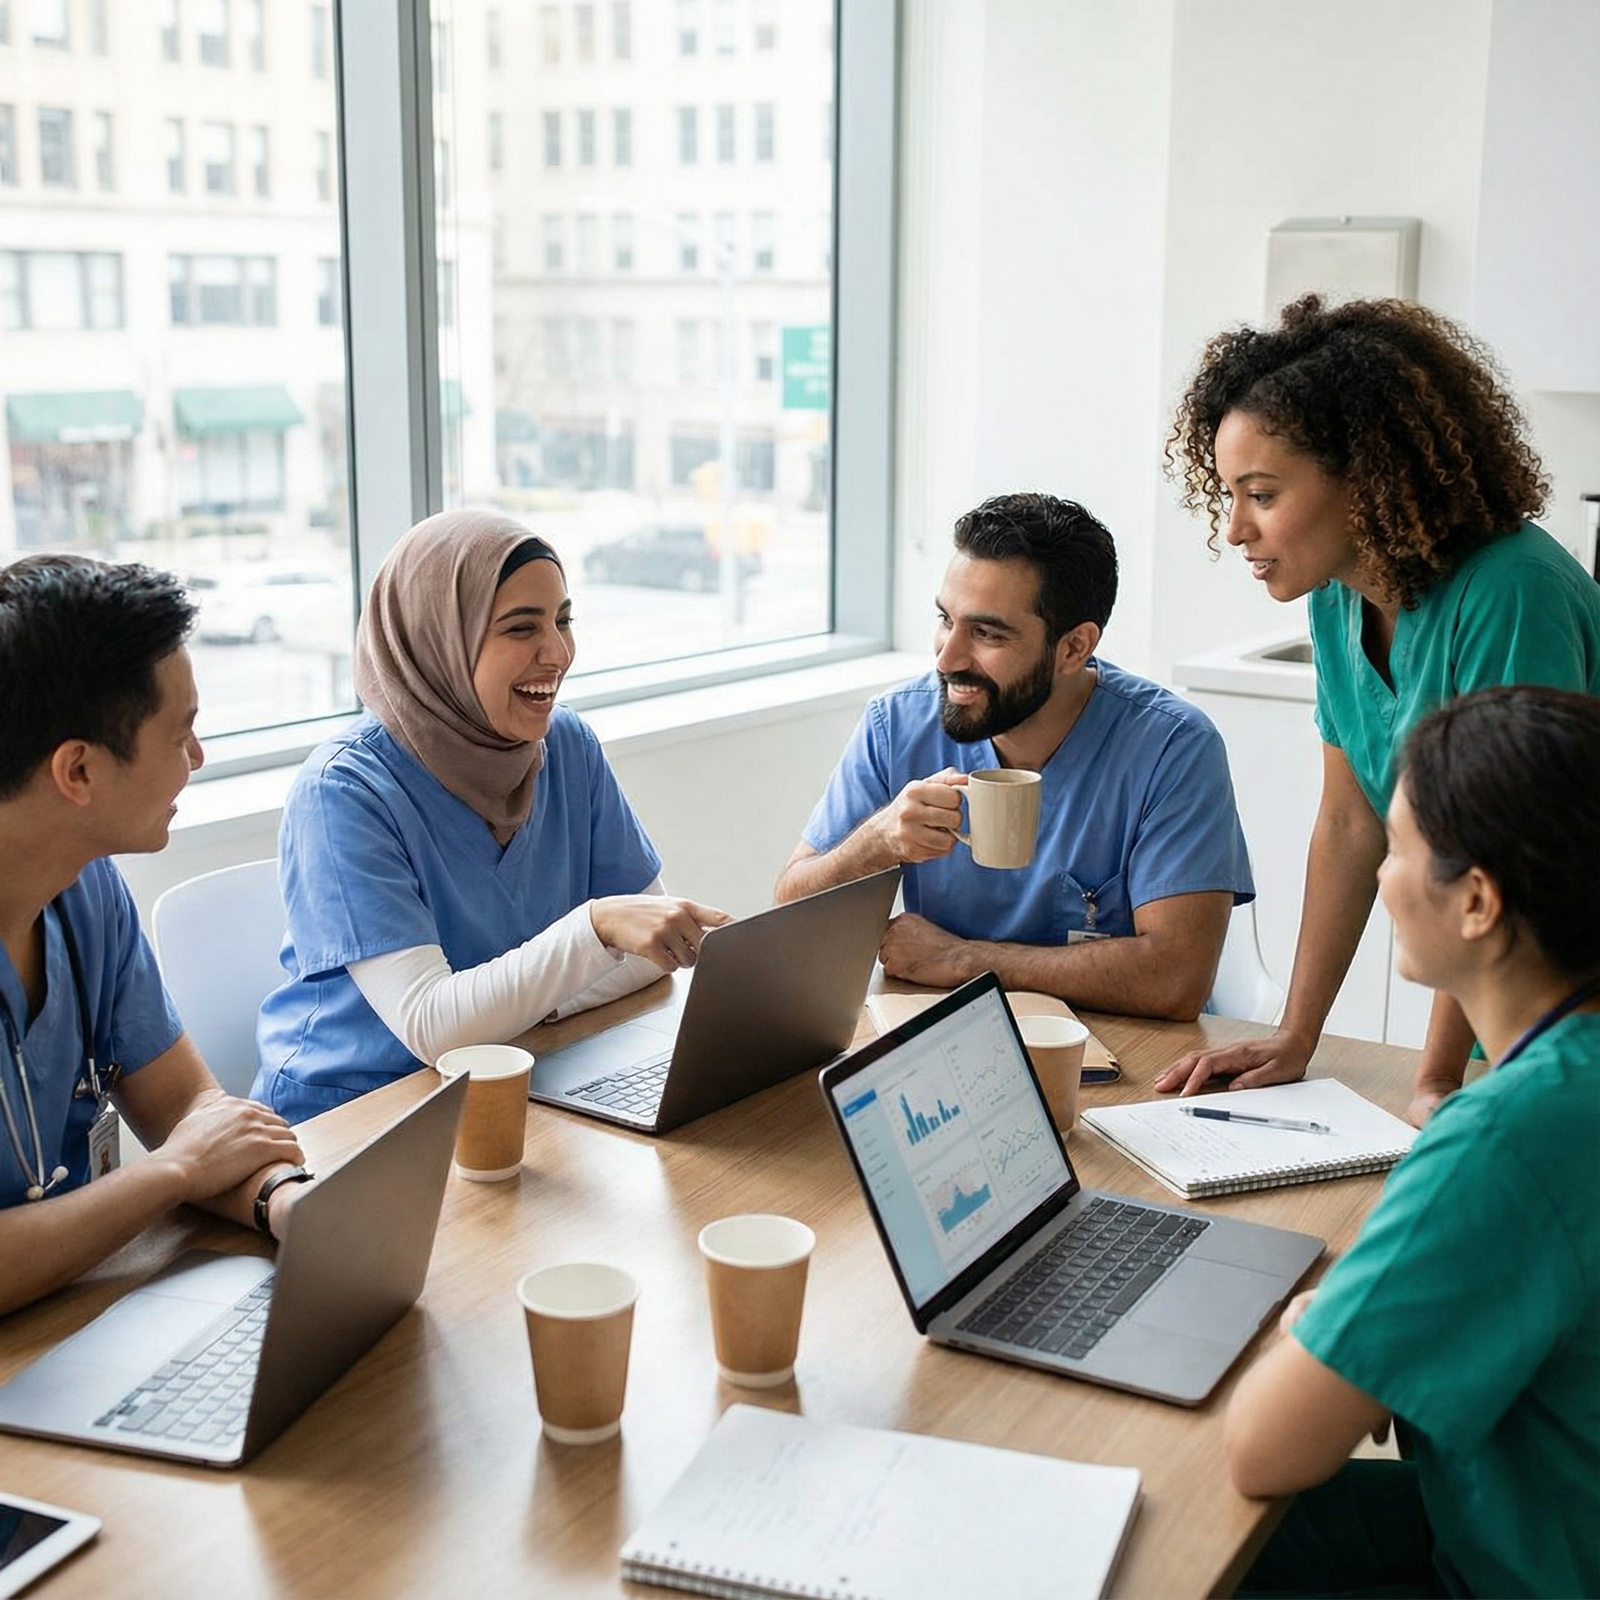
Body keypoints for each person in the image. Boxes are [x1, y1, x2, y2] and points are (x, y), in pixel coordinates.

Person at [1159, 294, 1600, 1120]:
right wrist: (1295, 1034)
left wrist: (1434, 1083)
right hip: (1499, 988)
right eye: (1228, 493)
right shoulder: (1336, 594)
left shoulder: (1512, 593)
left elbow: (1494, 862)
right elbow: (1349, 823)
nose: (1234, 530)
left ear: (1364, 478)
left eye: (1261, 494)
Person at [1224, 686, 1600, 1599]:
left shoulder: (1506, 1140)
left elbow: (1262, 1449)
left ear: (1476, 900)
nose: (1382, 879)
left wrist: (1317, 1323)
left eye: (1396, 850)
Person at [253, 510, 730, 1123]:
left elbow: (651, 951)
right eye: (519, 628)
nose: (557, 653)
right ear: (440, 641)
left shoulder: (568, 747)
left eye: (563, 620)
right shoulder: (343, 790)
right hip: (355, 1115)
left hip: (510, 1075)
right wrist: (594, 931)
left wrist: (525, 1005)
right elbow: (432, 1026)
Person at [774, 492, 1253, 1021]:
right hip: (951, 1040)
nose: (947, 656)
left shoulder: (1172, 747)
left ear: (1073, 648)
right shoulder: (898, 725)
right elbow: (789, 911)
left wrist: (965, 960)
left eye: (985, 633)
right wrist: (876, 841)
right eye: (945, 619)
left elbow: (1175, 979)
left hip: (1129, 1056)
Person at [0, 556, 306, 1317]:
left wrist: (287, 1203)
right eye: (182, 734)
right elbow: (188, 1153)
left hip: (78, 1311)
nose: (197, 759)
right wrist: (172, 1175)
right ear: (78, 770)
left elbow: (188, 1110)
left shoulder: (88, 888)